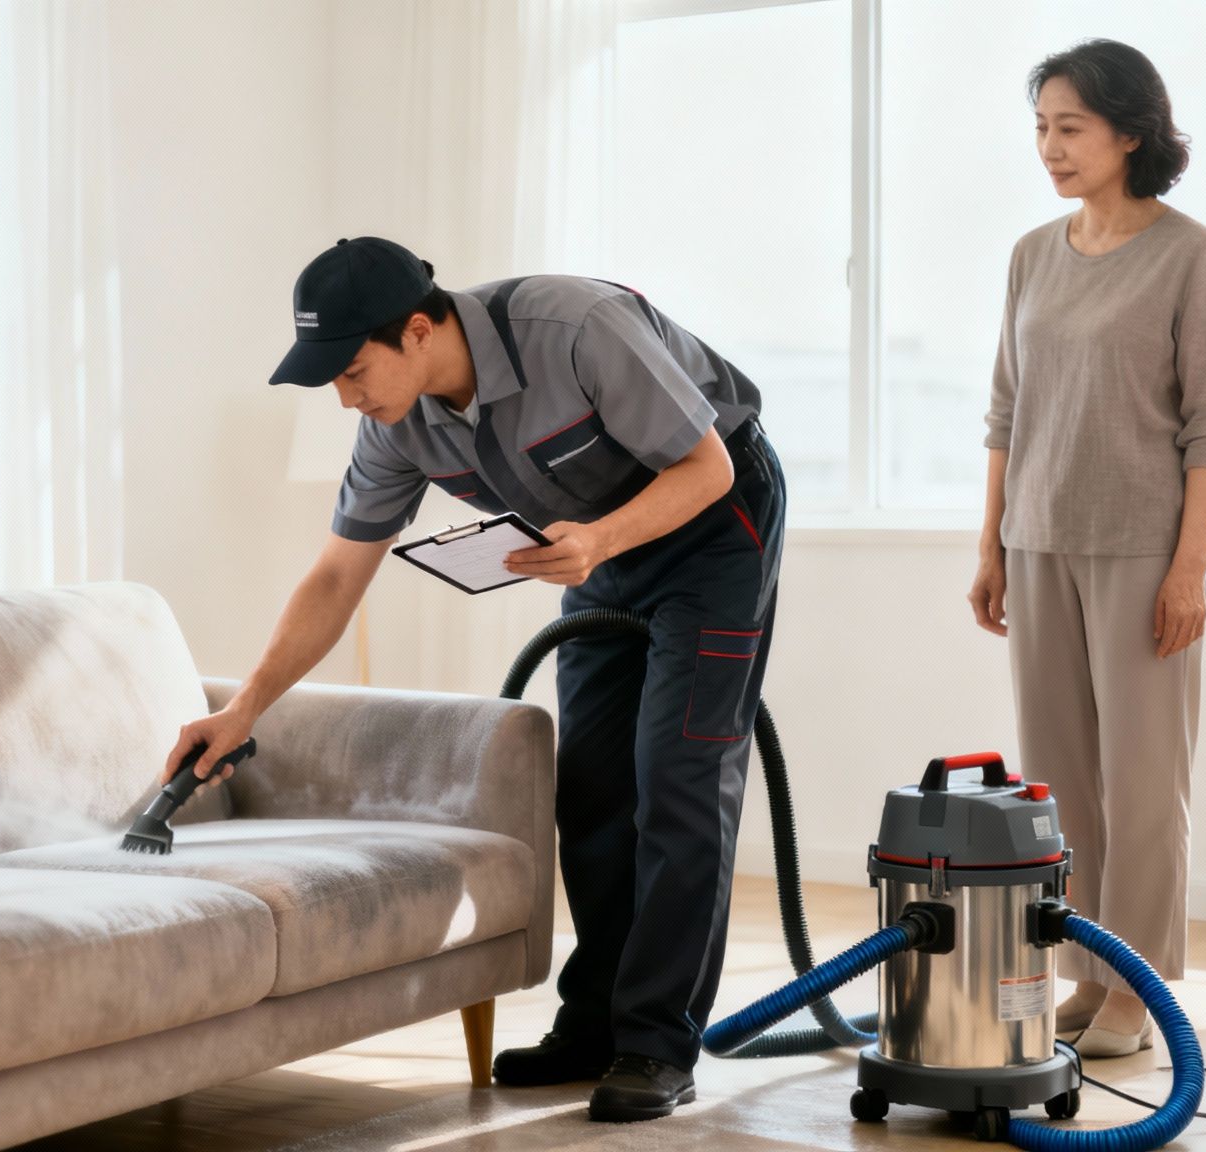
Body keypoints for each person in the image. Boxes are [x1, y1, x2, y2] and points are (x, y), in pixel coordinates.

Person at [162, 236, 785, 1122]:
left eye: (352, 372)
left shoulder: (576, 328)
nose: (347, 398)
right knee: (594, 786)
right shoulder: (395, 423)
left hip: (713, 524)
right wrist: (243, 707)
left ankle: (657, 1042)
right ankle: (598, 1022)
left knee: (679, 775)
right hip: (599, 544)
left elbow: (707, 467)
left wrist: (599, 543)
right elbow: (339, 574)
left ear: (417, 331)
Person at [970, 40, 1206, 1058]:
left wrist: (1188, 568)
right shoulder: (1030, 254)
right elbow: (1005, 411)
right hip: (1035, 542)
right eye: (1039, 126)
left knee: (1139, 783)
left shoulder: (1188, 252)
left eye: (1068, 126)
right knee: (1059, 784)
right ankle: (1082, 968)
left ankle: (1138, 984)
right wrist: (989, 544)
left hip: (1139, 551)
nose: (1048, 146)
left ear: (1129, 131)